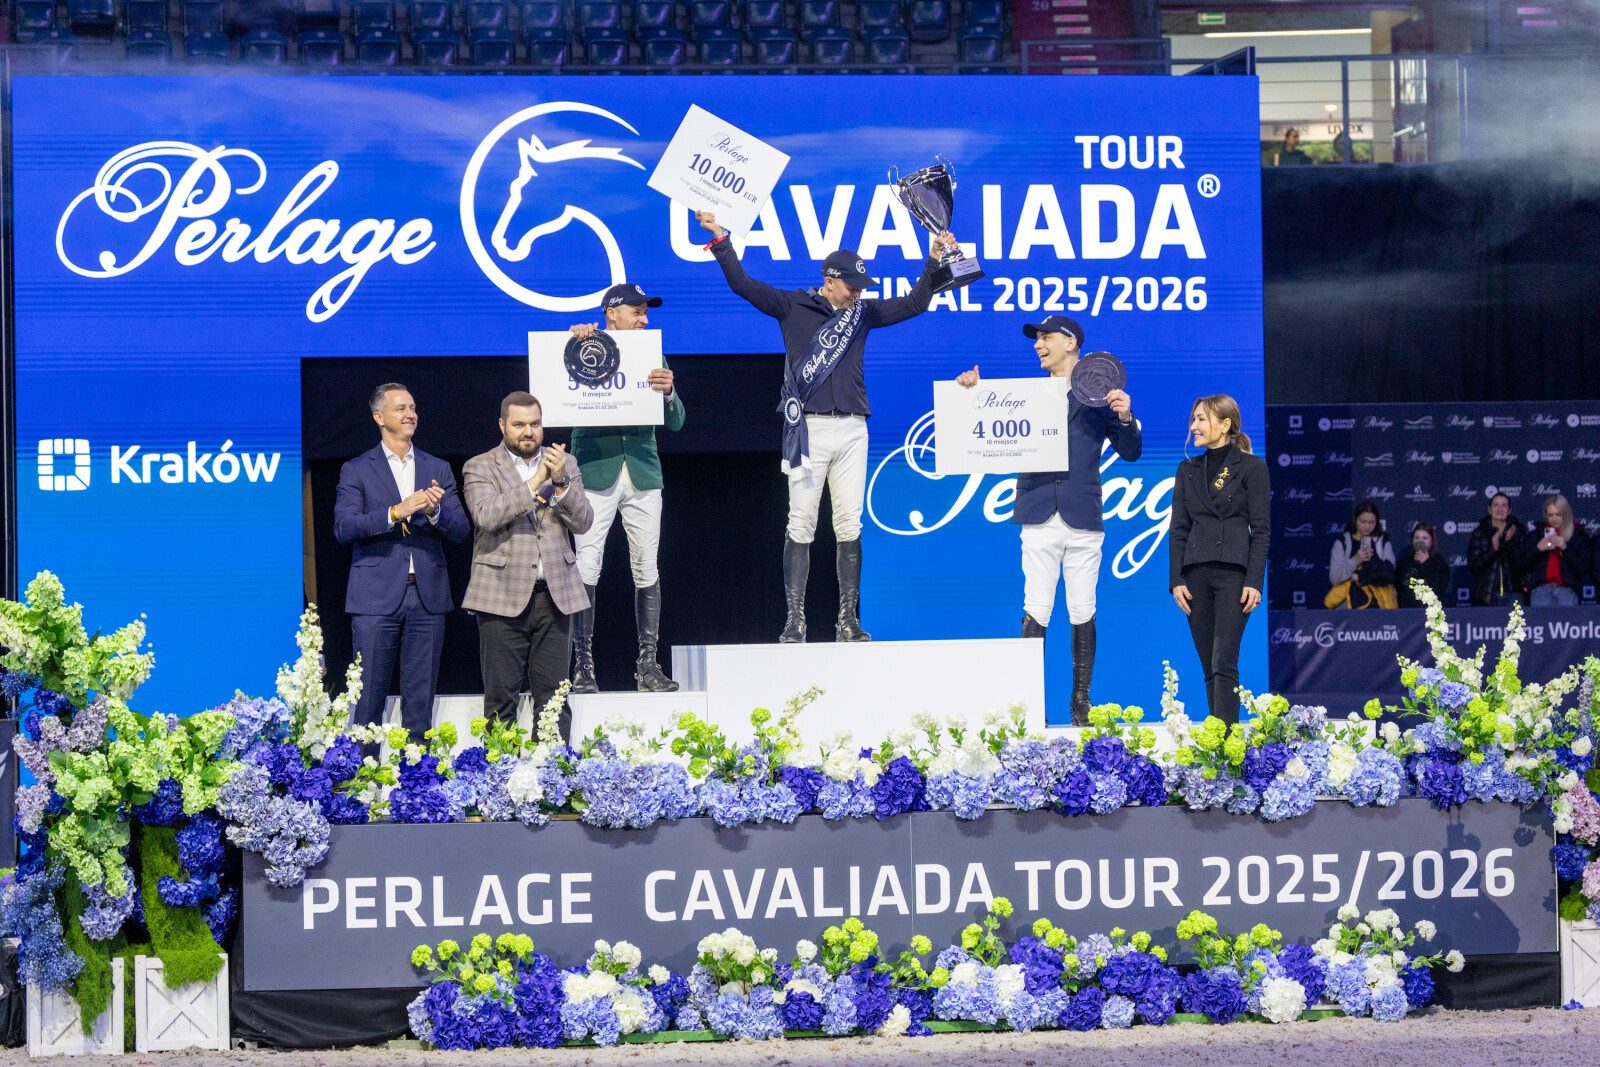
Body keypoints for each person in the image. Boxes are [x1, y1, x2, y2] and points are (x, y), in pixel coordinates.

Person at [696, 208, 959, 644]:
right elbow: (743, 284)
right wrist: (721, 240)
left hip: (854, 428)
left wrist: (933, 261)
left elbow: (915, 303)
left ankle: (847, 620)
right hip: (809, 430)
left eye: (861, 288)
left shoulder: (863, 313)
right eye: (852, 287)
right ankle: (795, 620)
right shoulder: (791, 305)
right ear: (830, 280)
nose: (858, 294)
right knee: (800, 522)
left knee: (850, 524)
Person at [954, 315, 1141, 725]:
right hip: (1038, 509)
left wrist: (1126, 418)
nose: (1038, 344)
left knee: (1083, 608)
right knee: (1036, 607)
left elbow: (1130, 452)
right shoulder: (1023, 395)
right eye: (1036, 339)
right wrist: (969, 393)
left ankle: (1081, 705)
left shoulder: (1101, 394)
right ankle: (1030, 704)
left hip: (1083, 514)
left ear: (1070, 343)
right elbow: (978, 423)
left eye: (1045, 337)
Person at [566, 283, 687, 694]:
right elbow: (558, 393)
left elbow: (676, 422)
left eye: (646, 312)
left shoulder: (653, 354)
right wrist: (572, 344)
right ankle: (583, 667)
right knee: (586, 566)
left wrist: (669, 392)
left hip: (642, 473)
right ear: (611, 312)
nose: (644, 319)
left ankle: (647, 666)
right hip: (594, 470)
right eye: (637, 311)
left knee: (647, 567)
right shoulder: (581, 346)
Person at [334, 383, 470, 745]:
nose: (411, 414)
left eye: (413, 408)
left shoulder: (437, 467)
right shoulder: (356, 469)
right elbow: (344, 527)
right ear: (379, 417)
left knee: (420, 704)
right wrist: (395, 512)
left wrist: (436, 512)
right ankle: (363, 775)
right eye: (401, 409)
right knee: (367, 700)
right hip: (375, 598)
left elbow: (461, 529)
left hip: (427, 598)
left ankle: (417, 777)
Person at [460, 391, 594, 741]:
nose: (528, 432)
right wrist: (536, 481)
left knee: (554, 701)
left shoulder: (566, 464)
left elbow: (583, 523)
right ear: (502, 425)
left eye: (535, 424)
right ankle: (499, 774)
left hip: (555, 596)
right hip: (500, 597)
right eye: (519, 424)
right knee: (501, 700)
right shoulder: (480, 466)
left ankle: (552, 774)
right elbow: (487, 515)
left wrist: (560, 481)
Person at [1167, 394, 1268, 725]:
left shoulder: (1252, 467)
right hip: (1195, 576)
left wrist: (1254, 581)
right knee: (1209, 665)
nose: (1193, 426)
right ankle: (1218, 740)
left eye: (1201, 419)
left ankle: (1226, 743)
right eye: (1193, 419)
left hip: (1233, 577)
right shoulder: (1187, 470)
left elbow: (1261, 531)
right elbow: (1178, 530)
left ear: (1225, 425)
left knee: (1224, 661)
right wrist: (1176, 580)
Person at [1517, 493, 1591, 606]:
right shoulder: (1536, 535)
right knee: (1542, 617)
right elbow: (1521, 564)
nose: (1554, 519)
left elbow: (1582, 568)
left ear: (1566, 514)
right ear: (1545, 515)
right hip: (1541, 590)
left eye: (1558, 514)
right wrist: (1538, 548)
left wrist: (1565, 547)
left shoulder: (1578, 535)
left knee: (1567, 618)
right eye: (1551, 515)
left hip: (1567, 590)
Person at [1326, 499, 1398, 609]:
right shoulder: (1342, 543)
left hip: (1379, 603)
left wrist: (1359, 577)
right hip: (1349, 604)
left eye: (1372, 522)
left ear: (1377, 522)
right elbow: (1335, 578)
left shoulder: (1382, 542)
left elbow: (1389, 575)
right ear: (1355, 520)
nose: (1367, 526)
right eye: (1363, 522)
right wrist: (1356, 560)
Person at [1467, 492, 1524, 606]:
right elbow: (1473, 566)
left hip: (1513, 593)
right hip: (1486, 594)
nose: (1500, 509)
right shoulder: (1479, 533)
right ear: (1489, 509)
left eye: (1504, 506)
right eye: (1496, 505)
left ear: (1509, 510)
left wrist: (1509, 542)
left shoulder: (1518, 531)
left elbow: (1523, 564)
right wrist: (1493, 549)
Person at [1395, 521, 1451, 608]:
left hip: (1430, 611)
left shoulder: (1439, 563)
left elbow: (1438, 588)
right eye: (1417, 538)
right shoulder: (1404, 562)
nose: (1420, 541)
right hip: (1407, 611)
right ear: (1412, 540)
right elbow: (1399, 588)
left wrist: (1427, 563)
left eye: (1425, 538)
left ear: (1431, 541)